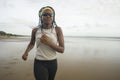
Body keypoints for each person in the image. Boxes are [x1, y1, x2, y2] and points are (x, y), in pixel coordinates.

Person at [22, 6, 64, 80]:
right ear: (41, 17)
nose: (48, 16)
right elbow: (32, 43)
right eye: (45, 14)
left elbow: (62, 49)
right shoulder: (35, 30)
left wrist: (49, 43)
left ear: (53, 18)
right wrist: (26, 52)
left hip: (53, 62)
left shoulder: (58, 30)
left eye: (50, 15)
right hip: (39, 62)